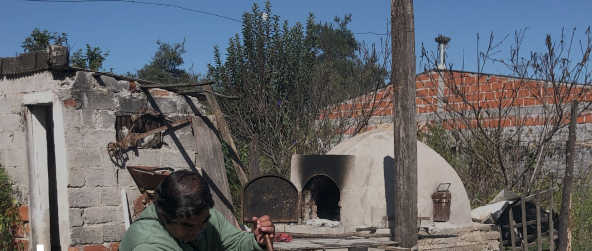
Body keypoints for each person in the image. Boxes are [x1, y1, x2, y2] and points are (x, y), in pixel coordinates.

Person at [119, 170, 275, 251]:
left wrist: (256, 241)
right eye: (187, 225)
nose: (198, 230)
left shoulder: (205, 218)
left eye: (204, 221)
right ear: (163, 216)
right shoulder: (148, 245)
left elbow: (236, 243)